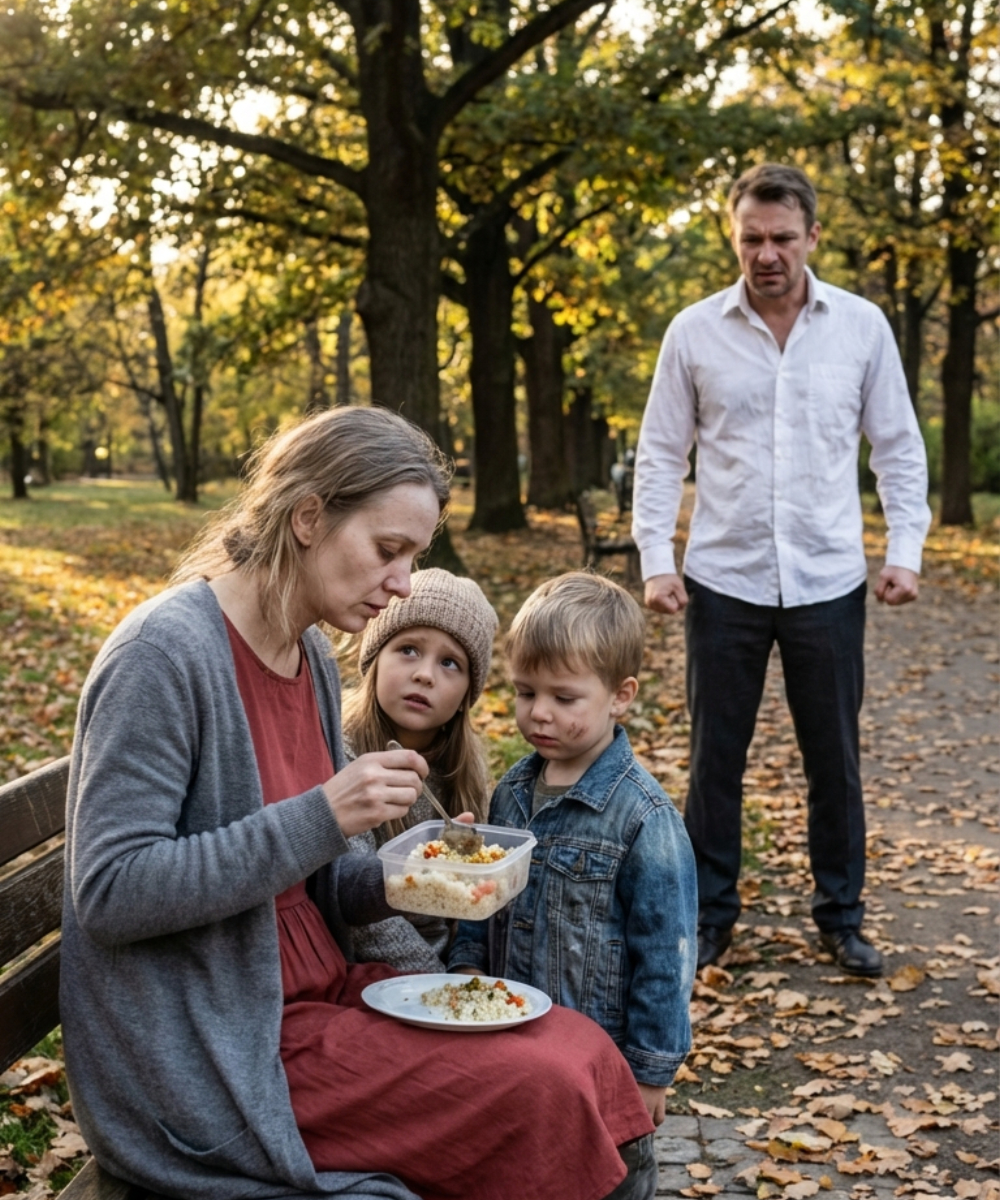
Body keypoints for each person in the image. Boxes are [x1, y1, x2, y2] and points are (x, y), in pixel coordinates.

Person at [61, 406, 656, 1200]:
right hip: (221, 1055)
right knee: (544, 1088)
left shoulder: (307, 652)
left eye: (412, 557)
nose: (403, 583)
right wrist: (323, 814)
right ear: (309, 517)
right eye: (388, 550)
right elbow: (110, 891)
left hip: (319, 1000)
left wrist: (418, 871)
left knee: (580, 1051)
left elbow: (322, 886)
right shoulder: (164, 657)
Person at [632, 162, 932, 978]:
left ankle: (842, 917)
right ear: (734, 238)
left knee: (833, 759)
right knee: (714, 761)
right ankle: (710, 919)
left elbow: (899, 450)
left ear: (812, 238)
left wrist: (904, 551)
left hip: (828, 581)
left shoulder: (863, 327)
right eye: (751, 239)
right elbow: (660, 455)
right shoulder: (693, 332)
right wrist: (657, 561)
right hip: (722, 581)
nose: (766, 255)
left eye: (782, 238)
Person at [449, 572, 698, 1200]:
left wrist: (650, 1074)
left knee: (606, 1182)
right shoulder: (510, 794)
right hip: (513, 1052)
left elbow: (665, 954)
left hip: (599, 1067)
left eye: (564, 697)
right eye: (525, 692)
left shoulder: (644, 818)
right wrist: (461, 986)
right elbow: (481, 910)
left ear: (621, 696)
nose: (538, 713)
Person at [342, 567, 498, 971]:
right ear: (375, 658)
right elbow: (365, 922)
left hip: (448, 966)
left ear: (468, 693)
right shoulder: (340, 755)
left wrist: (465, 969)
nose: (424, 674)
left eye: (450, 663)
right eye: (409, 649)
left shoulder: (463, 772)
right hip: (366, 969)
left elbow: (470, 904)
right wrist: (437, 982)